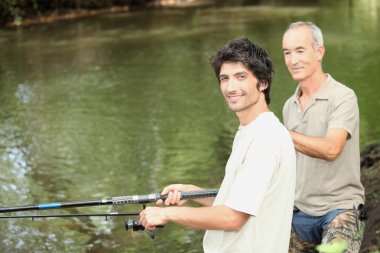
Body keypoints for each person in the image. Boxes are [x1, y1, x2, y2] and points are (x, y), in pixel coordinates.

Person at [139, 37, 296, 252]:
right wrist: (192, 192)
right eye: (224, 78)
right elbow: (239, 203)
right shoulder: (251, 131)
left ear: (263, 82)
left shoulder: (265, 140)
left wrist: (167, 214)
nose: (231, 87)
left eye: (241, 77)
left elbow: (233, 217)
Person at [282, 21, 366, 253]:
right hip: (298, 212)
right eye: (287, 53)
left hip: (341, 209)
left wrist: (280, 134)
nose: (293, 60)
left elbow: (331, 150)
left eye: (300, 51)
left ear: (319, 52)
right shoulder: (289, 106)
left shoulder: (343, 97)